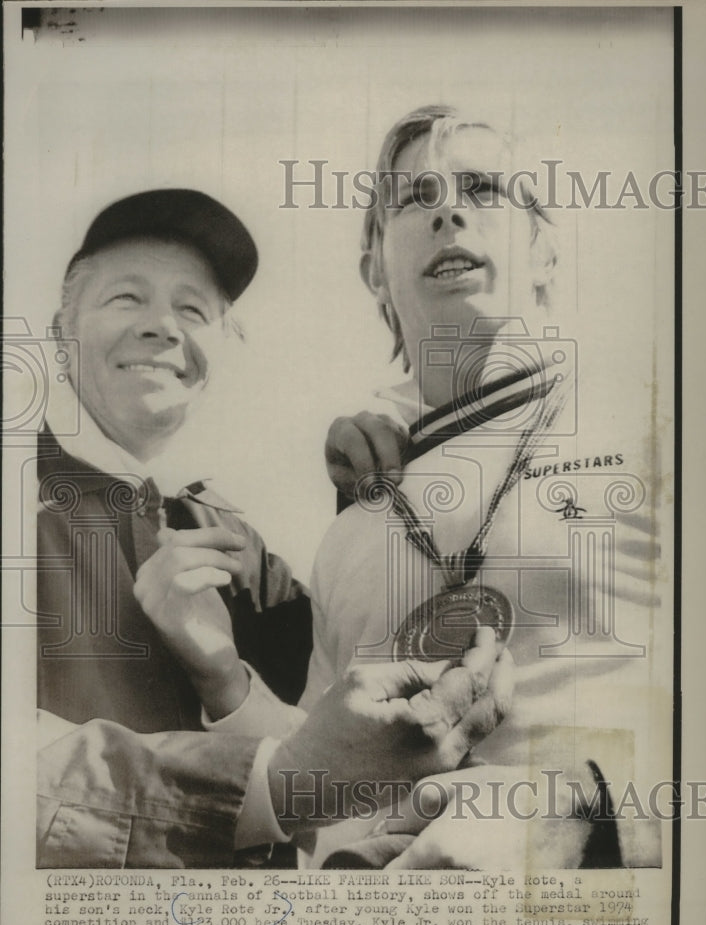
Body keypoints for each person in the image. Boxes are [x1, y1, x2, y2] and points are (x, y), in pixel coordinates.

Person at [37, 187, 512, 867]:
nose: (163, 327)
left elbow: (338, 707)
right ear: (61, 328)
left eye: (193, 309)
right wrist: (274, 784)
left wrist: (373, 504)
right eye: (126, 299)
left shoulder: (225, 536)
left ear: (223, 347)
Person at [307, 106, 665, 867]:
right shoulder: (349, 526)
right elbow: (311, 782)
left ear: (541, 250)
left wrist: (561, 831)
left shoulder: (654, 421)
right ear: (375, 268)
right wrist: (225, 681)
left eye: (481, 187)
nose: (449, 211)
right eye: (416, 197)